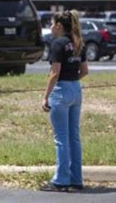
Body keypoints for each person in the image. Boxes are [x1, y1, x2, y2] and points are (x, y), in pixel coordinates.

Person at [40, 10, 88, 192]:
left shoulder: (58, 44)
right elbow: (84, 71)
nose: (50, 27)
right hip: (76, 89)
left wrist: (45, 96)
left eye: (52, 23)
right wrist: (72, 81)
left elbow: (54, 73)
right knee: (73, 137)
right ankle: (76, 179)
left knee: (61, 138)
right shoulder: (78, 43)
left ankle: (61, 180)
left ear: (59, 26)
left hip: (61, 91)